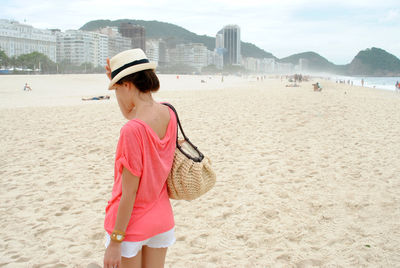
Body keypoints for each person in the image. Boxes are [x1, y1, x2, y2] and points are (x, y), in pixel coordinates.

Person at [103, 49, 177, 268]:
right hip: (161, 220)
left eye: (118, 86)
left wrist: (116, 242)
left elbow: (130, 193)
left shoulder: (131, 130)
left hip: (131, 225)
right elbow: (131, 112)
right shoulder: (168, 113)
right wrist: (117, 82)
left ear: (127, 85)